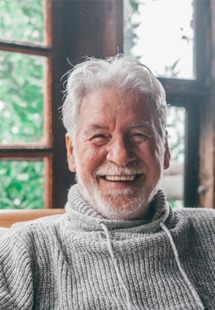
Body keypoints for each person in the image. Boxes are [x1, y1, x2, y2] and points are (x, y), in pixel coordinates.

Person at [0, 54, 214, 310]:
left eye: (138, 135)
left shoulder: (210, 232)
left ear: (165, 149)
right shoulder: (24, 251)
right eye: (99, 136)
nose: (121, 156)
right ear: (71, 152)